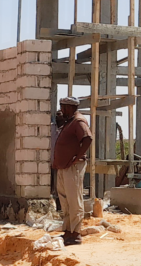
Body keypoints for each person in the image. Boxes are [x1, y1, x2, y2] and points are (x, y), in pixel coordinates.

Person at [51, 97, 92, 246]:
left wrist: (76, 157)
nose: (61, 110)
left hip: (73, 167)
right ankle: (68, 230)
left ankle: (76, 233)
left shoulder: (78, 121)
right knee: (65, 199)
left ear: (70, 107)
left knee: (74, 200)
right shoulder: (69, 122)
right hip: (63, 167)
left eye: (63, 107)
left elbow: (87, 138)